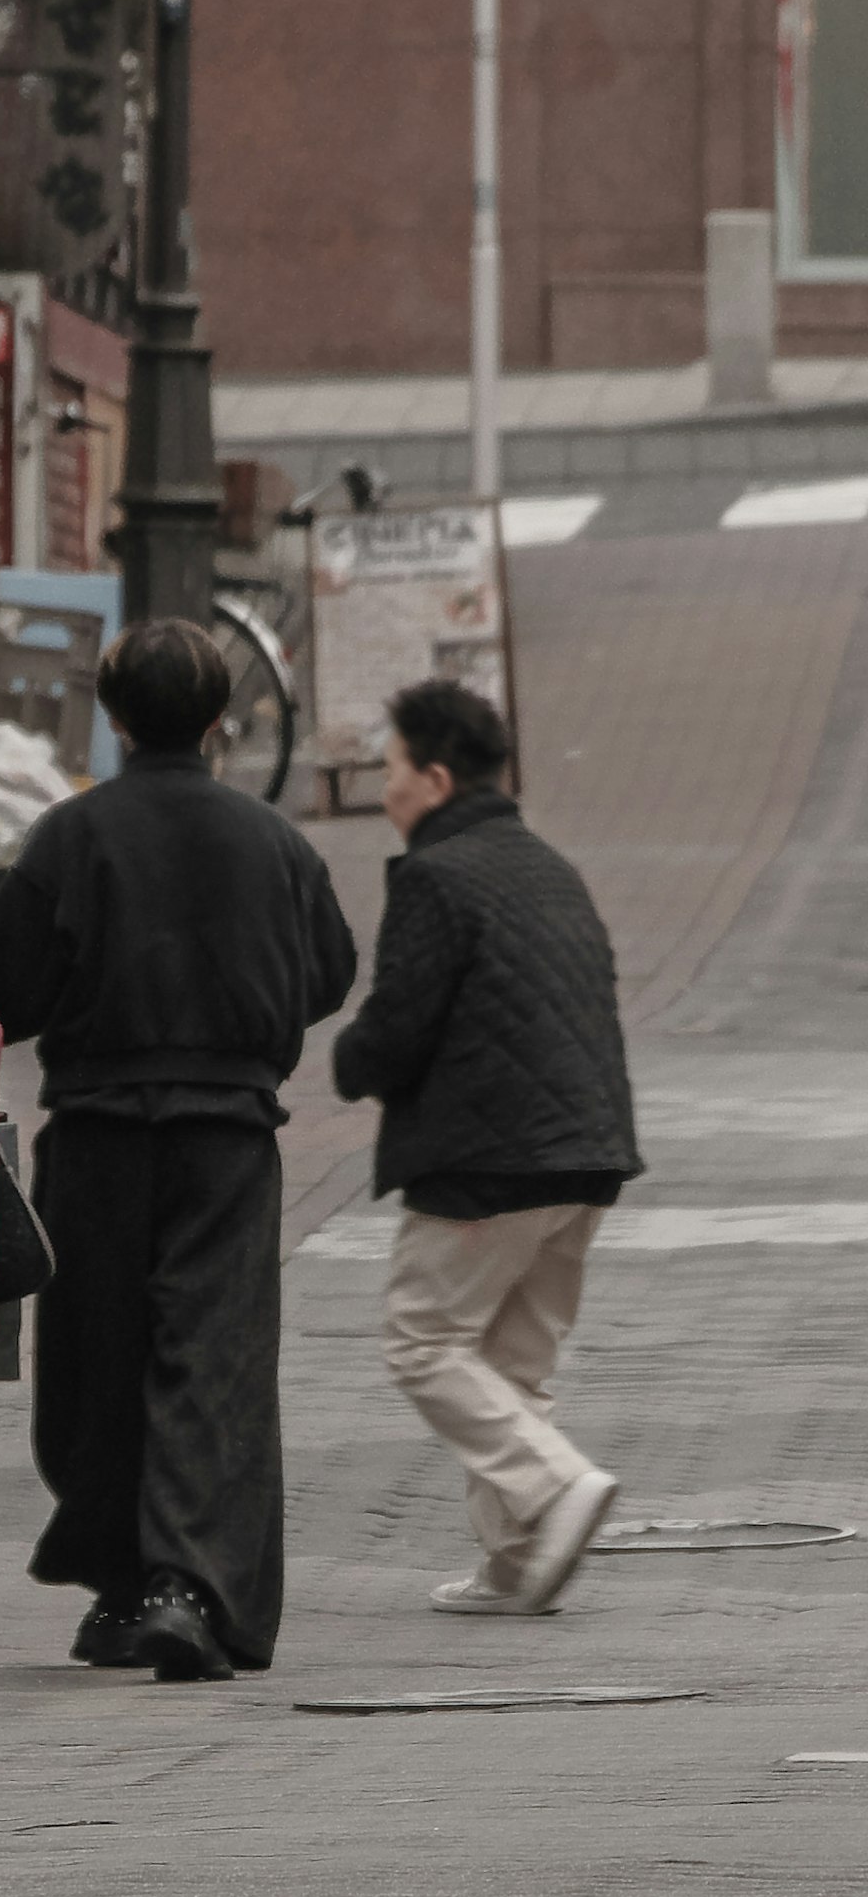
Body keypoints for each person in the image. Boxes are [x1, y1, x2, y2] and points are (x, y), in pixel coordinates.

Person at [0, 619, 358, 1682]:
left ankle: (136, 1581)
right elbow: (328, 969)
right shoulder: (273, 839)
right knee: (209, 1357)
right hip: (229, 1134)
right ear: (221, 718)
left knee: (98, 1359)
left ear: (113, 716)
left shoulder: (71, 836)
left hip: (98, 1128)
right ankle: (185, 1582)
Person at [332, 678, 637, 1616]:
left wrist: (349, 1059)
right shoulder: (549, 864)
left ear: (432, 777)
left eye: (388, 770)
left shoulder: (436, 875)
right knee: (513, 1367)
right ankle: (514, 1564)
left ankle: (553, 1487)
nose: (382, 791)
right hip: (586, 1153)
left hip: (486, 1161)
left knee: (422, 1341)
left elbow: (399, 1025)